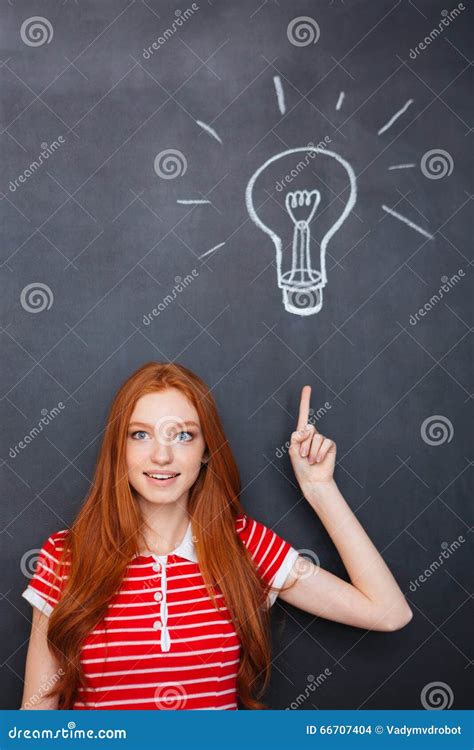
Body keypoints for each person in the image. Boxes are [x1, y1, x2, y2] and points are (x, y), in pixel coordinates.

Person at [20, 361, 412, 710]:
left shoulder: (244, 546)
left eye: (183, 436)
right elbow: (38, 718)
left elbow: (388, 612)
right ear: (117, 448)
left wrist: (320, 489)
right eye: (140, 435)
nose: (161, 456)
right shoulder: (67, 556)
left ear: (206, 449)